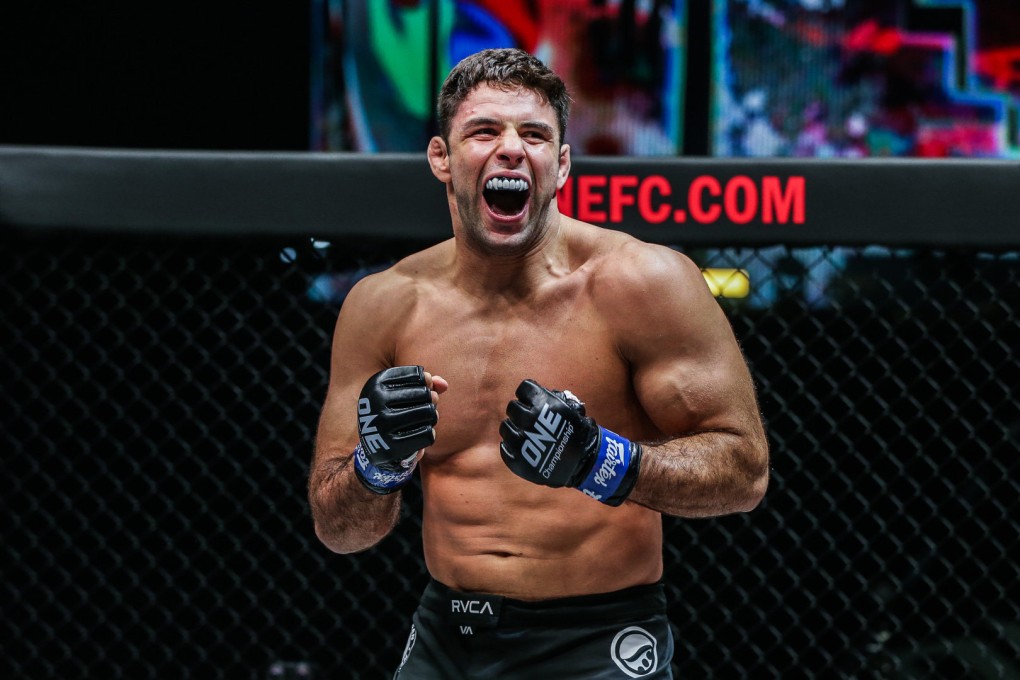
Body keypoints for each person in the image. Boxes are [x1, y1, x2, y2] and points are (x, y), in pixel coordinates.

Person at [308, 48, 769, 679]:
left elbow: (744, 471)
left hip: (597, 640)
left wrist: (602, 462)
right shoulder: (384, 305)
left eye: (534, 134)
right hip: (448, 635)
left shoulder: (642, 283)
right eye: (484, 131)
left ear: (561, 163)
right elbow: (339, 529)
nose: (511, 150)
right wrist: (377, 464)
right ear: (442, 158)